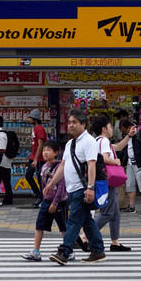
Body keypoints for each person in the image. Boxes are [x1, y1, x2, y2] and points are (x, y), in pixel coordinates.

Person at [45, 108, 107, 265]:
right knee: (86, 221)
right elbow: (64, 166)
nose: (70, 125)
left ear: (83, 125)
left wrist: (90, 187)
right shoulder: (70, 143)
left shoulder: (89, 141)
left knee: (73, 220)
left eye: (74, 122)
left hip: (82, 188)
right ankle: (98, 250)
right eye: (69, 122)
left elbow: (91, 165)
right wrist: (51, 183)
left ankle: (64, 251)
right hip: (72, 189)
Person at [91, 114, 130, 252]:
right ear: (103, 129)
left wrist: (129, 136)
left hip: (103, 179)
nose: (112, 129)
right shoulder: (104, 141)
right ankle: (85, 236)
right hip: (108, 180)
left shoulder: (98, 141)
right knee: (108, 212)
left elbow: (118, 147)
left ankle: (115, 241)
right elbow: (105, 158)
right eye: (110, 126)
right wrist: (116, 161)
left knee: (115, 212)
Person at [23, 140, 67, 261]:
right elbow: (43, 185)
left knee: (63, 227)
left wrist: (55, 202)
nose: (45, 153)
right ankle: (36, 251)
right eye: (43, 150)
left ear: (56, 153)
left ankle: (69, 250)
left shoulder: (59, 167)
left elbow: (61, 186)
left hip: (59, 201)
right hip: (47, 201)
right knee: (39, 225)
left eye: (48, 150)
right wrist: (44, 197)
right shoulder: (43, 167)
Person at [120, 118, 141, 217]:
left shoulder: (139, 131)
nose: (124, 132)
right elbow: (124, 148)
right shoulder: (126, 134)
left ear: (128, 127)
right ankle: (132, 206)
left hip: (139, 162)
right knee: (130, 183)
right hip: (130, 162)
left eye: (124, 130)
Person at [26, 108, 48, 208]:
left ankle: (42, 197)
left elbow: (40, 145)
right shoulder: (35, 129)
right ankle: (39, 195)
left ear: (35, 119)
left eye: (30, 117)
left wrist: (35, 159)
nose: (28, 119)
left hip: (39, 158)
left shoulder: (39, 129)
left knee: (40, 178)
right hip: (34, 156)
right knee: (29, 175)